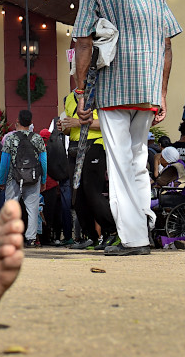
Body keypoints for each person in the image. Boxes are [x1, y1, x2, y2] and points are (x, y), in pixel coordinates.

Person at [73, 0, 181, 256]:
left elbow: (82, 42)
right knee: (137, 162)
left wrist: (81, 93)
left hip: (112, 90)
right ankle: (143, 229)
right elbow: (167, 44)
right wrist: (162, 92)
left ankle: (134, 240)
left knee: (119, 162)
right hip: (147, 91)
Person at [60, 76, 116, 250]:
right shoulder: (69, 98)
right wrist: (66, 127)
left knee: (92, 191)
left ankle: (111, 232)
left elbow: (107, 123)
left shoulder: (99, 94)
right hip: (75, 147)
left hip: (95, 145)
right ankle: (90, 236)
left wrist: (79, 122)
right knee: (76, 195)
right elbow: (71, 128)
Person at [0, 110, 47, 247]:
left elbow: (5, 162)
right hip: (33, 178)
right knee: (32, 208)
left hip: (13, 178)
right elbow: (43, 160)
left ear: (17, 121)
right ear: (31, 122)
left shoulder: (10, 139)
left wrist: (1, 181)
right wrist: (43, 180)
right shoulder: (37, 138)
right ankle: (31, 238)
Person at [41, 127, 73, 245]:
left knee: (42, 212)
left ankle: (42, 237)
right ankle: (57, 236)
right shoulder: (55, 147)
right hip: (55, 184)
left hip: (42, 186)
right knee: (56, 212)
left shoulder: (40, 149)